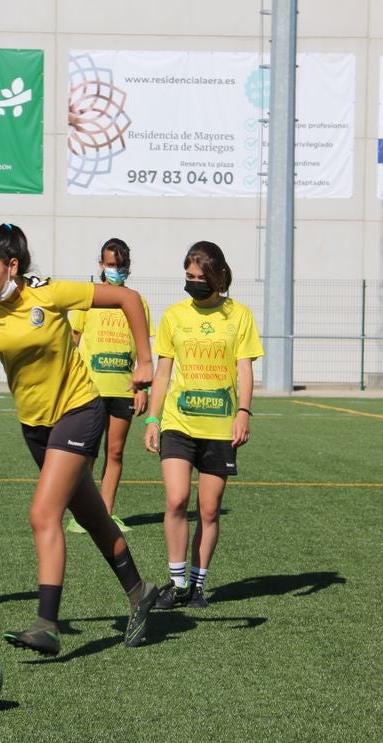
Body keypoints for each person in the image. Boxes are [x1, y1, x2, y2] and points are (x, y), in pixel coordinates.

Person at [0, 223, 158, 656]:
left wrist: (145, 360)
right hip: (35, 427)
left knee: (42, 514)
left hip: (78, 410)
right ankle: (139, 590)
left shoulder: (48, 293)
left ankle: (46, 624)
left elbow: (127, 299)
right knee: (92, 516)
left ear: (12, 266)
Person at [144, 241, 264, 609]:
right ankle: (177, 583)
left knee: (209, 509)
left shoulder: (239, 316)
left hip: (219, 427)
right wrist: (153, 417)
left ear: (219, 277)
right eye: (189, 276)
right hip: (178, 423)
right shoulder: (174, 315)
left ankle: (197, 585)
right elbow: (163, 371)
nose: (194, 283)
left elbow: (245, 369)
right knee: (177, 499)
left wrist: (243, 412)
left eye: (201, 277)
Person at [66, 237, 153, 534]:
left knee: (115, 453)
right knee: (88, 453)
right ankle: (81, 516)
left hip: (124, 390)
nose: (116, 270)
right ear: (100, 265)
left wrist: (142, 388)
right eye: (111, 264)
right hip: (90, 389)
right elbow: (72, 342)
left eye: (121, 265)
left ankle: (105, 514)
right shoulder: (86, 298)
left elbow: (143, 349)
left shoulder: (137, 301)